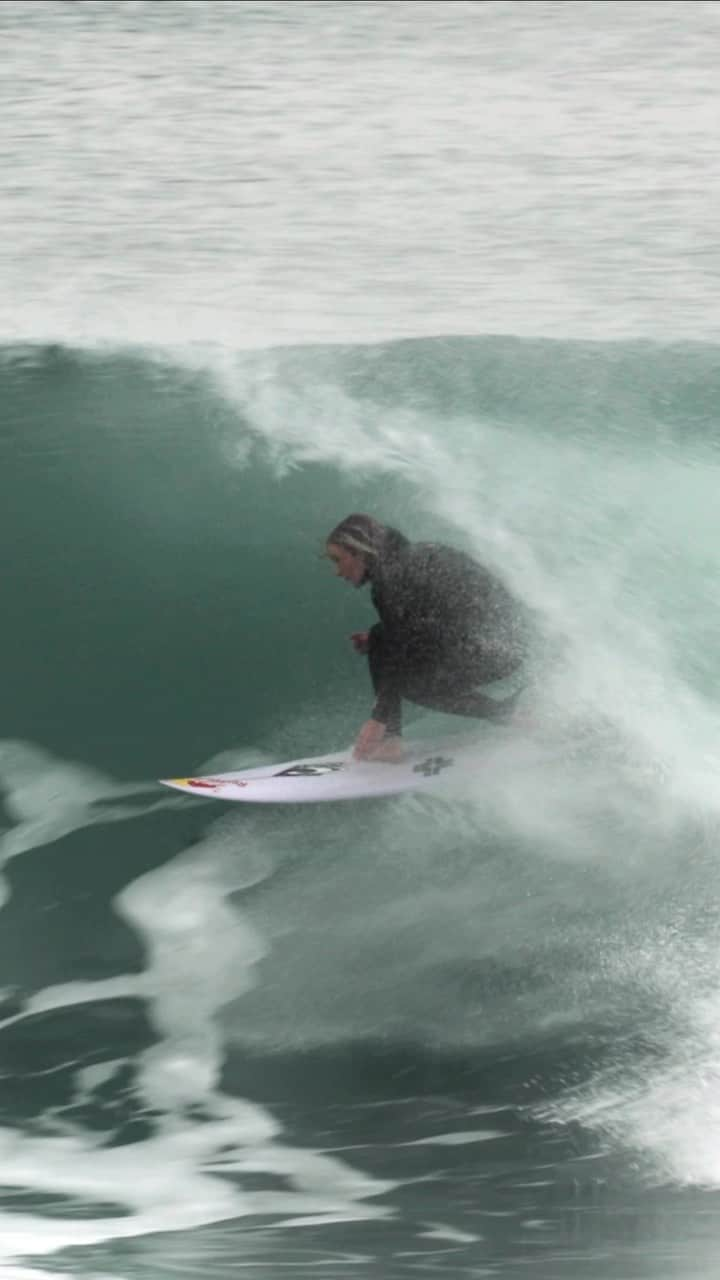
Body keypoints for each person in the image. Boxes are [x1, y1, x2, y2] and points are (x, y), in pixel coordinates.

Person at [325, 513, 530, 762]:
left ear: (359, 552)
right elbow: (438, 615)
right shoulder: (420, 554)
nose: (337, 571)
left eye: (338, 560)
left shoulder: (389, 581)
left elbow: (402, 646)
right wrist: (389, 632)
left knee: (393, 656)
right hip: (510, 644)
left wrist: (378, 717)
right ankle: (507, 712)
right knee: (384, 638)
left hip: (488, 649)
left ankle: (390, 740)